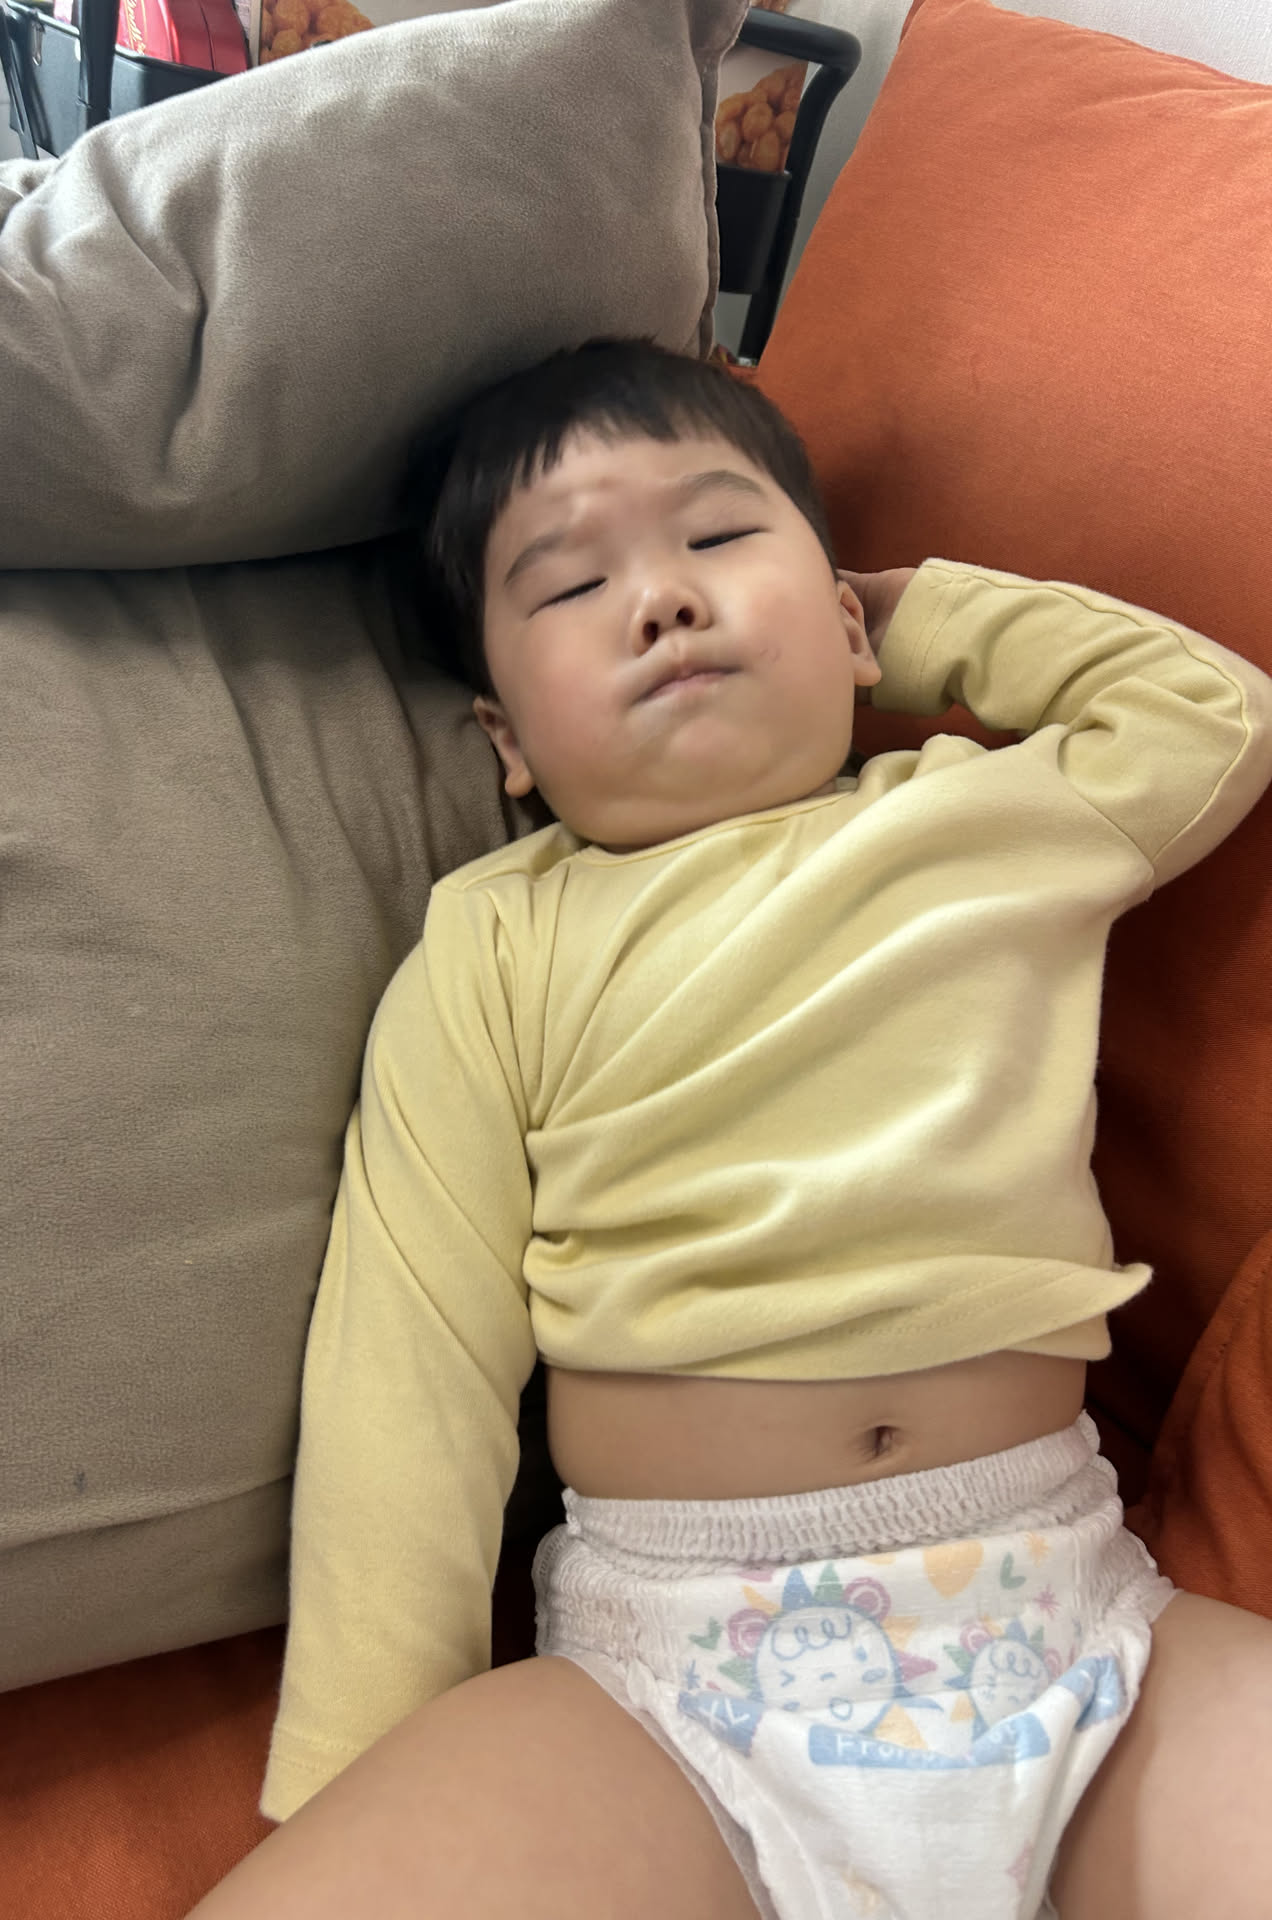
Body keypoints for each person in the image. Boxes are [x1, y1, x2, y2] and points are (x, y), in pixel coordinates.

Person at [189, 341, 1272, 1920]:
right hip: (670, 1687)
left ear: (848, 627)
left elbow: (1210, 712)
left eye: (716, 537)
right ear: (507, 742)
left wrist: (911, 616)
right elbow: (409, 1360)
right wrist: (373, 1757)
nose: (663, 600)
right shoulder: (497, 943)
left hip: (1077, 1625)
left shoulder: (989, 817)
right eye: (572, 586)